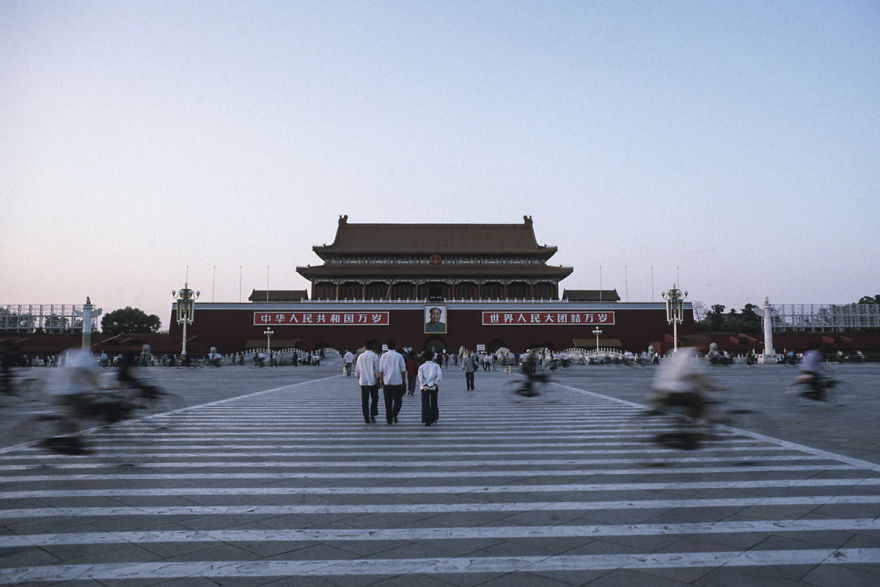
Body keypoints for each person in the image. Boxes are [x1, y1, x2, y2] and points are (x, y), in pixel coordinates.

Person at [650, 338, 722, 422]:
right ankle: (694, 428)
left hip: (660, 389)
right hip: (676, 391)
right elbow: (698, 376)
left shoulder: (674, 352)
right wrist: (713, 387)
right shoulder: (691, 353)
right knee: (700, 404)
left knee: (691, 399)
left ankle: (687, 424)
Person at [378, 340, 406, 424]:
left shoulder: (383, 356)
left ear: (387, 346)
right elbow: (403, 370)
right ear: (395, 346)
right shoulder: (399, 356)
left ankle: (389, 420)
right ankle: (394, 414)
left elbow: (381, 370)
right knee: (398, 401)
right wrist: (404, 381)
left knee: (388, 403)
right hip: (397, 382)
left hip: (387, 383)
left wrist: (381, 380)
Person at [355, 342, 380, 423]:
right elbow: (377, 370)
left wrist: (359, 378)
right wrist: (379, 379)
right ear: (372, 347)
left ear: (365, 347)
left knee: (365, 401)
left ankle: (366, 418)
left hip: (363, 382)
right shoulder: (375, 356)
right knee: (375, 398)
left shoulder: (360, 357)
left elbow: (357, 370)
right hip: (373, 381)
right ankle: (372, 414)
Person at [417, 350, 442, 426]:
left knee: (425, 403)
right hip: (434, 387)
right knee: (434, 402)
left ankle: (427, 420)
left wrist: (425, 384)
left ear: (424, 358)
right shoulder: (436, 366)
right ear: (432, 357)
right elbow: (439, 376)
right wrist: (434, 383)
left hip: (424, 388)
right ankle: (434, 418)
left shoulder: (421, 367)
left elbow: (420, 378)